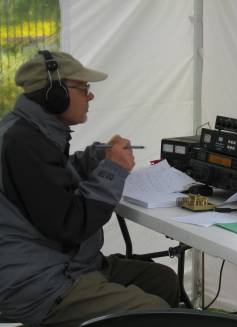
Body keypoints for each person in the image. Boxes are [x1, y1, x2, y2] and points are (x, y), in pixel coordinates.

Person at [0, 51, 179, 326]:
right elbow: (71, 224)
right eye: (83, 89)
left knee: (162, 281)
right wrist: (113, 170)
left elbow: (49, 179)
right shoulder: (23, 143)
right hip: (38, 283)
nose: (90, 96)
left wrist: (93, 158)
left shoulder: (29, 131)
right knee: (152, 310)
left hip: (61, 262)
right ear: (54, 94)